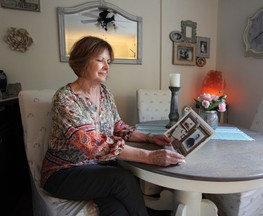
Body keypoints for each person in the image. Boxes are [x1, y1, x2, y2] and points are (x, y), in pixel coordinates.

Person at [40, 36, 185, 216]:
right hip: (64, 172)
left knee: (117, 209)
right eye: (100, 60)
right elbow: (92, 144)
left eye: (108, 61)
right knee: (122, 178)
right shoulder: (65, 98)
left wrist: (149, 137)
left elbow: (118, 126)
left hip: (96, 169)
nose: (107, 67)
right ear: (82, 60)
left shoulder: (105, 92)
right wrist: (150, 157)